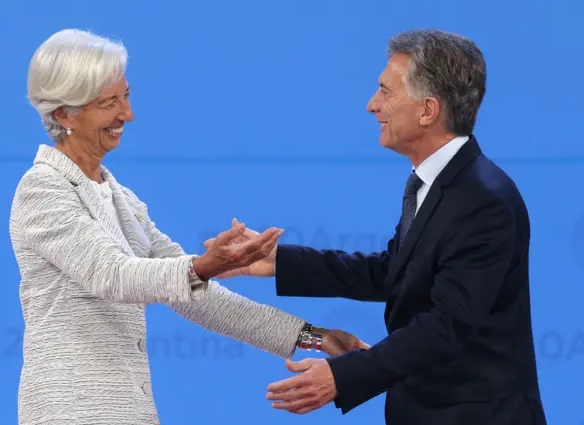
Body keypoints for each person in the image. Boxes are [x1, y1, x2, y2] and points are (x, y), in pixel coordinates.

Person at [10, 28, 369, 425]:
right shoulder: (42, 189)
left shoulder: (120, 199)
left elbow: (197, 296)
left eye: (126, 97)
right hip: (70, 411)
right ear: (63, 113)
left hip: (128, 409)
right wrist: (200, 267)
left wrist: (316, 337)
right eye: (109, 102)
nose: (127, 114)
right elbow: (111, 275)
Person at [208, 30, 547, 425]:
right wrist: (279, 261)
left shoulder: (483, 201)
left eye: (385, 91)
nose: (372, 106)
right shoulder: (436, 183)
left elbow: (446, 327)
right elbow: (396, 273)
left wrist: (343, 376)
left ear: (427, 110)